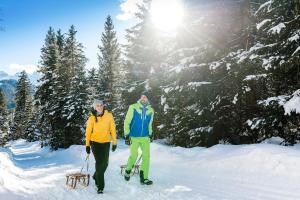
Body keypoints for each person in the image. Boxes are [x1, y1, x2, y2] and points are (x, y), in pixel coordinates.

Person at [85, 99, 117, 194]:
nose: (100, 106)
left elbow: (113, 129)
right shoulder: (91, 118)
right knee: (99, 163)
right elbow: (88, 132)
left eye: (101, 105)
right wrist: (87, 144)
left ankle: (96, 176)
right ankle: (100, 186)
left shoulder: (109, 116)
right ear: (95, 107)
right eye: (97, 105)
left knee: (105, 163)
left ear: (103, 106)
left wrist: (114, 142)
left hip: (106, 142)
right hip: (95, 143)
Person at [123, 92, 154, 185]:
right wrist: (127, 135)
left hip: (145, 137)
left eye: (145, 97)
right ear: (140, 97)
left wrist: (151, 134)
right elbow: (127, 121)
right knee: (134, 155)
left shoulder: (151, 110)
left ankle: (144, 177)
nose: (143, 98)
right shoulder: (133, 107)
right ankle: (128, 170)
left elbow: (149, 124)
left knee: (146, 157)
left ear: (148, 99)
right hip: (134, 136)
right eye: (142, 96)